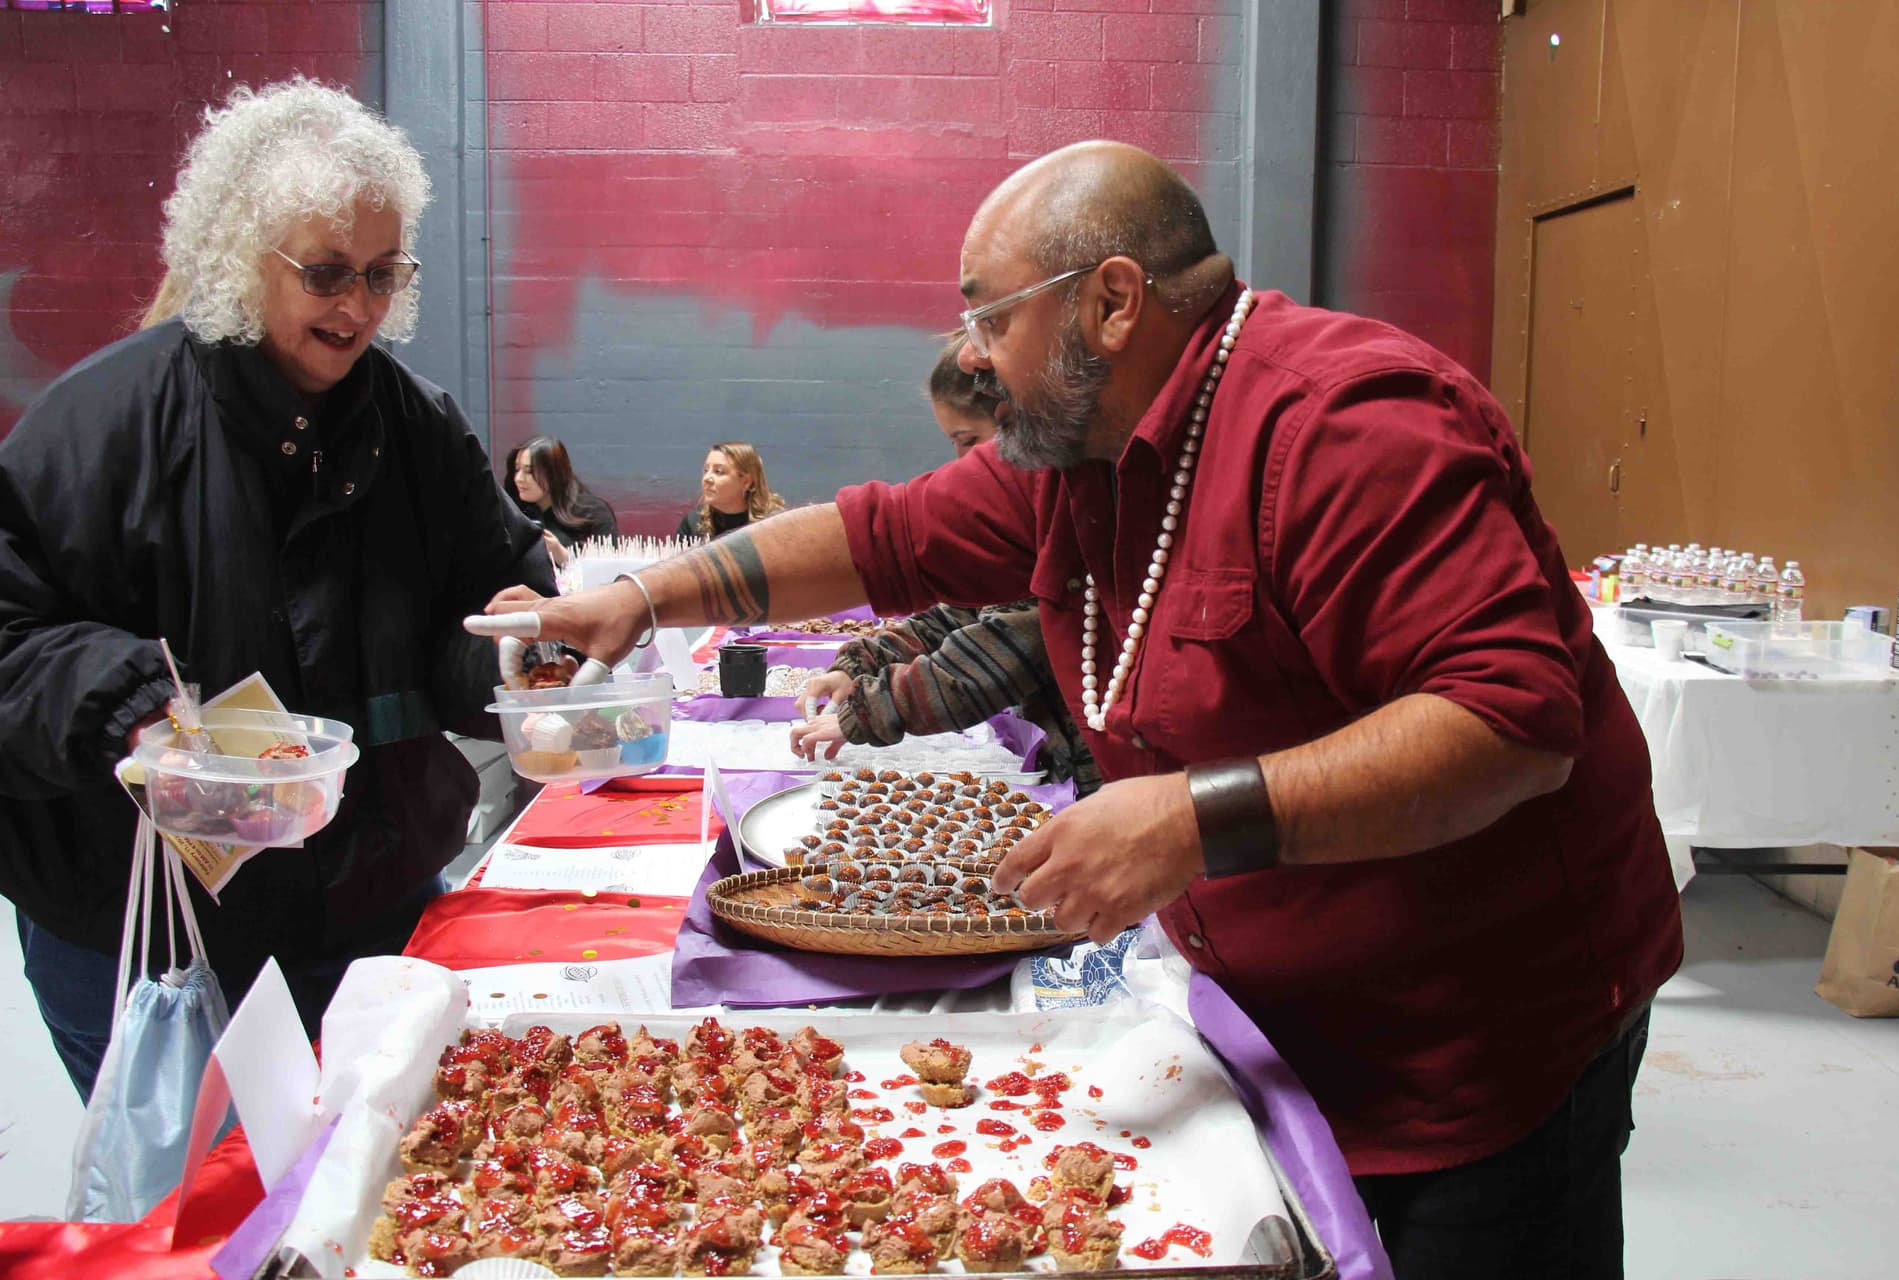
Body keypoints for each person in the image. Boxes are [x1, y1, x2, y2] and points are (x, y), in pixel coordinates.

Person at [482, 140, 1683, 1279]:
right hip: (1283, 1012)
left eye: (993, 317)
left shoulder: (1345, 424)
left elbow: (1509, 722)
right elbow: (877, 535)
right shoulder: (1081, 454)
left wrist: (1190, 819)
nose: (974, 356)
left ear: (1112, 302)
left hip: (1475, 1044)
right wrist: (644, 596)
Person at [0, 79, 553, 1097]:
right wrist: (130, 706)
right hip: (153, 942)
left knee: (384, 1177)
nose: (359, 307)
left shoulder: (421, 430)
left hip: (371, 909)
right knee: (201, 1196)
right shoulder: (98, 430)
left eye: (383, 273)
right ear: (237, 251)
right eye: (327, 272)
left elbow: (481, 614)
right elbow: (11, 641)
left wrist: (523, 651)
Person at [790, 333, 1100, 794]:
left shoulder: (1066, 521)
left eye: (968, 441)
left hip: (1096, 774)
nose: (960, 462)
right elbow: (958, 614)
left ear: (1014, 421)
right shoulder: (1024, 522)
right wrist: (860, 664)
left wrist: (865, 713)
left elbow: (996, 657)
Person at [511, 434, 618, 566]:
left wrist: (563, 556)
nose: (519, 479)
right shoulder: (514, 512)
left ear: (553, 474)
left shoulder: (594, 514)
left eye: (529, 471)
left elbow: (607, 570)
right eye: (517, 469)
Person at [673, 442, 784, 540]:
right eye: (706, 470)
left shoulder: (775, 524)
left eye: (719, 471)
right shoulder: (694, 521)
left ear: (746, 482)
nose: (706, 478)